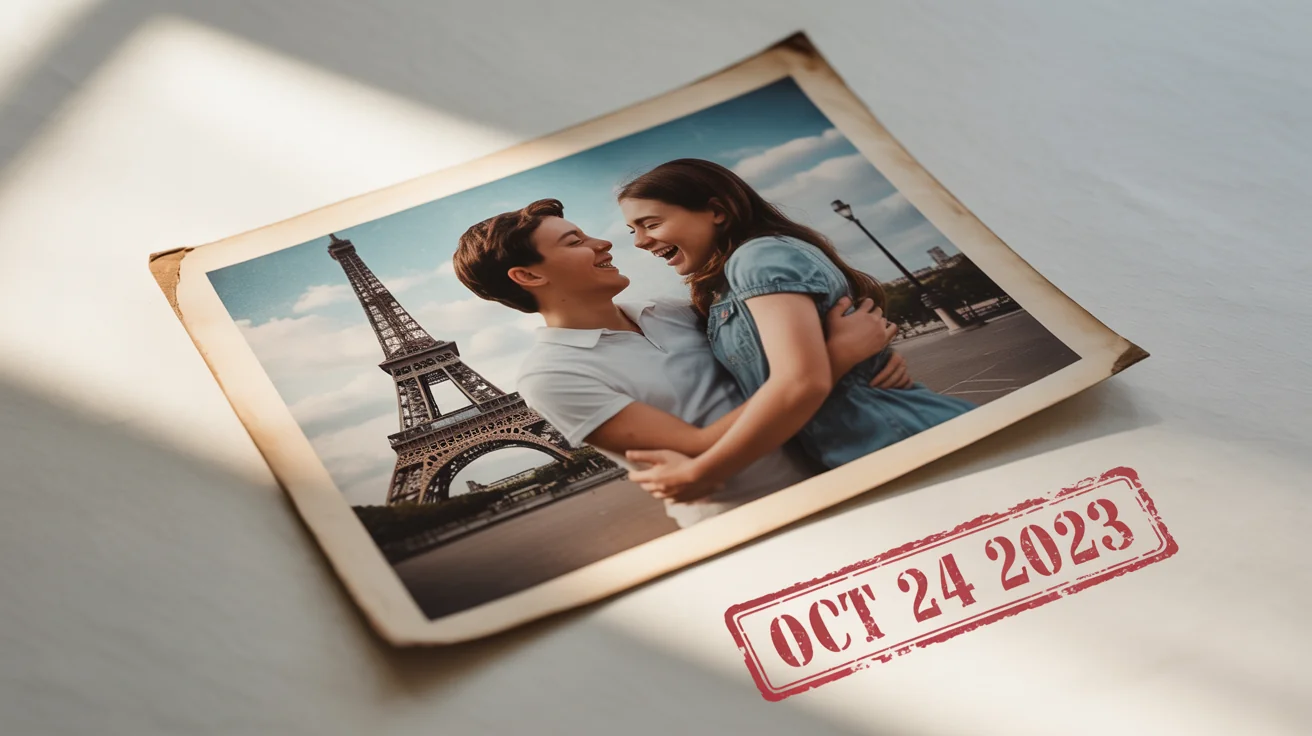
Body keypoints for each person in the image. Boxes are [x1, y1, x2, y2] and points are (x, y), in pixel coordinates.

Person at [453, 198, 914, 528]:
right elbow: (697, 447)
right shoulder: (551, 375)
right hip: (749, 524)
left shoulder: (673, 311)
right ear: (530, 275)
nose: (602, 243)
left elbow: (784, 352)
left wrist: (866, 364)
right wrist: (833, 362)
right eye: (575, 241)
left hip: (839, 473)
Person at [616, 158, 975, 497]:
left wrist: (704, 472)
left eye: (651, 223)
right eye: (633, 229)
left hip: (903, 445)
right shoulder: (727, 282)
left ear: (716, 211)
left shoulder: (756, 258)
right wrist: (841, 359)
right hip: (883, 453)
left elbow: (801, 382)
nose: (639, 241)